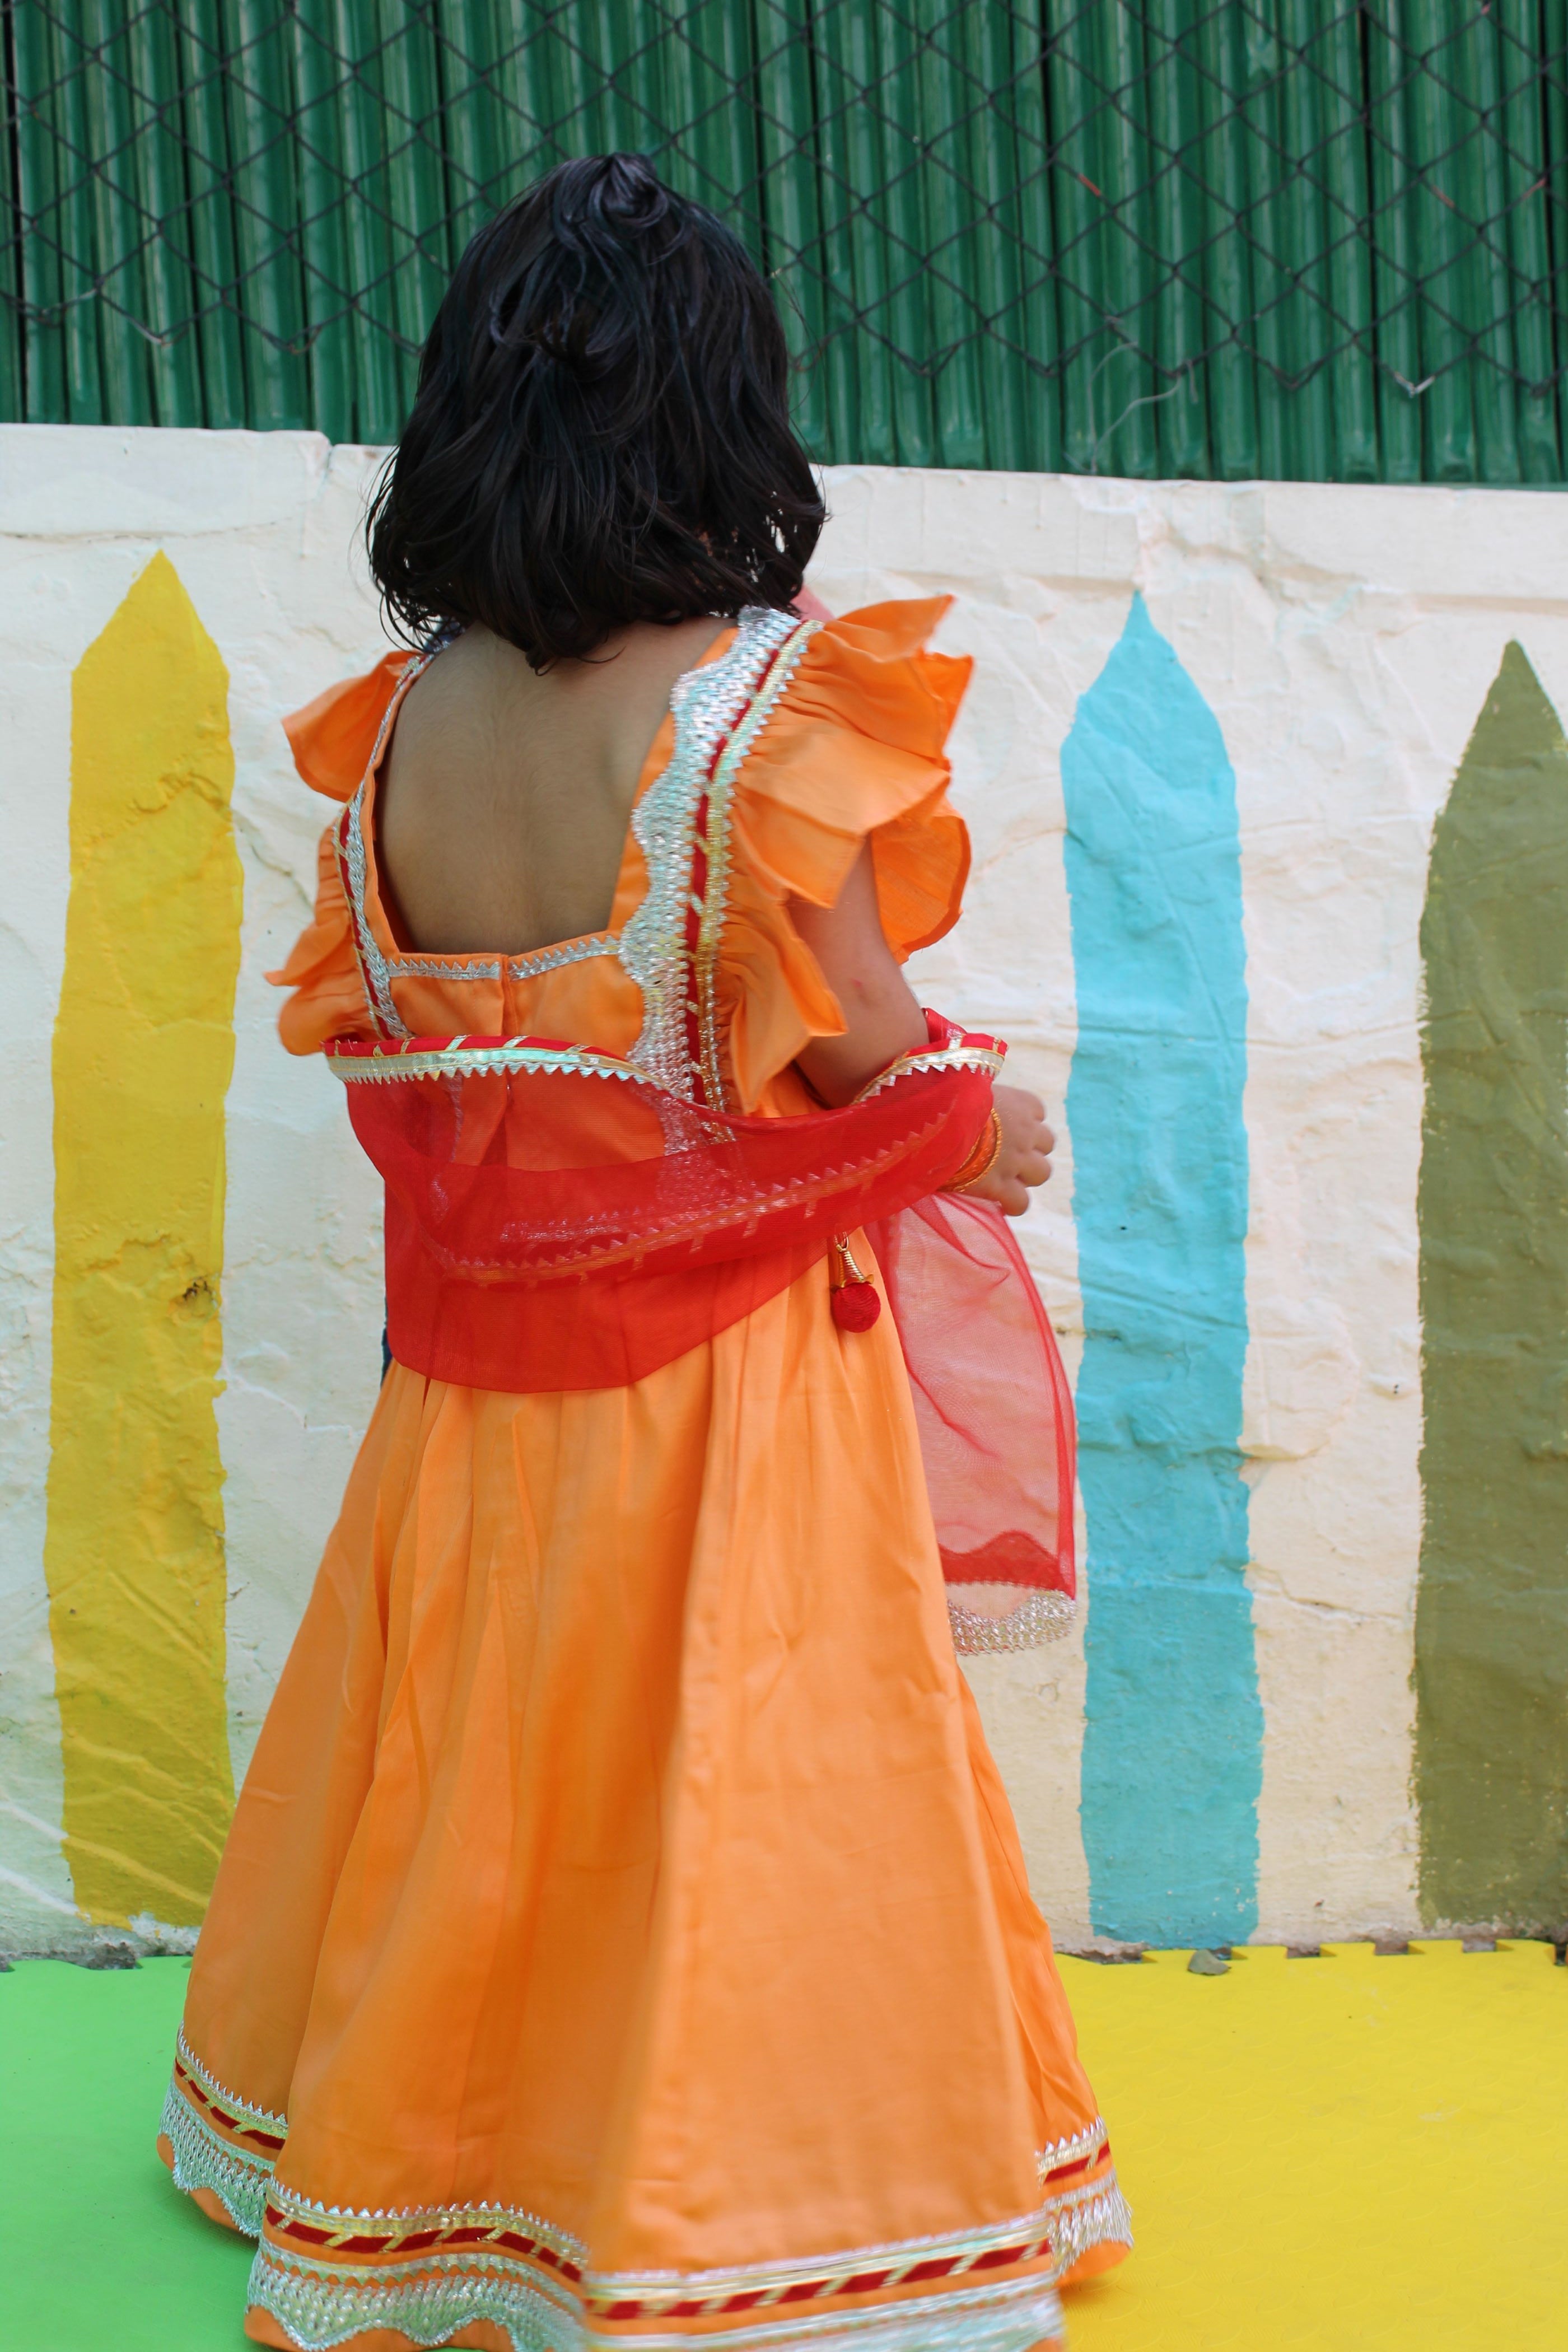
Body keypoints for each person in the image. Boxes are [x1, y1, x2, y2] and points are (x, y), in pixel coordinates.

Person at [157, 154, 1130, 2352]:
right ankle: (707, 2203)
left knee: (482, 1782)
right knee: (732, 1785)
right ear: (721, 410)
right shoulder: (756, 729)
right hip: (721, 1408)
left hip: (468, 1409)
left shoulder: (397, 736)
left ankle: (425, 2171)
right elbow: (864, 1065)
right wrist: (984, 1125)